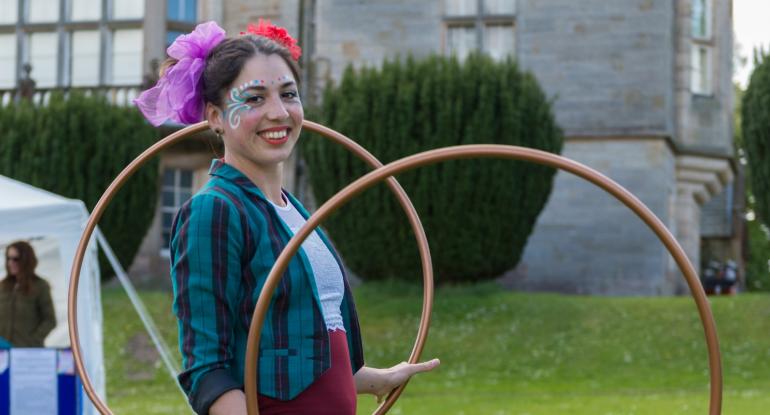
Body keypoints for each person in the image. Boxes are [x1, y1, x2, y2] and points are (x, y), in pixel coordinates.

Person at [134, 20, 439, 415]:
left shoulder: (292, 211)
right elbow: (209, 369)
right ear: (214, 116)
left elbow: (298, 359)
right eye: (255, 98)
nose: (278, 113)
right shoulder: (215, 210)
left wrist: (373, 378)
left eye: (288, 94)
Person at [0, 241, 56, 347]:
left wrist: (33, 340)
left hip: (28, 352)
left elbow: (50, 320)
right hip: (2, 352)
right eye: (8, 258)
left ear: (26, 260)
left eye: (15, 259)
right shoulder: (2, 286)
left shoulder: (40, 286)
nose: (10, 263)